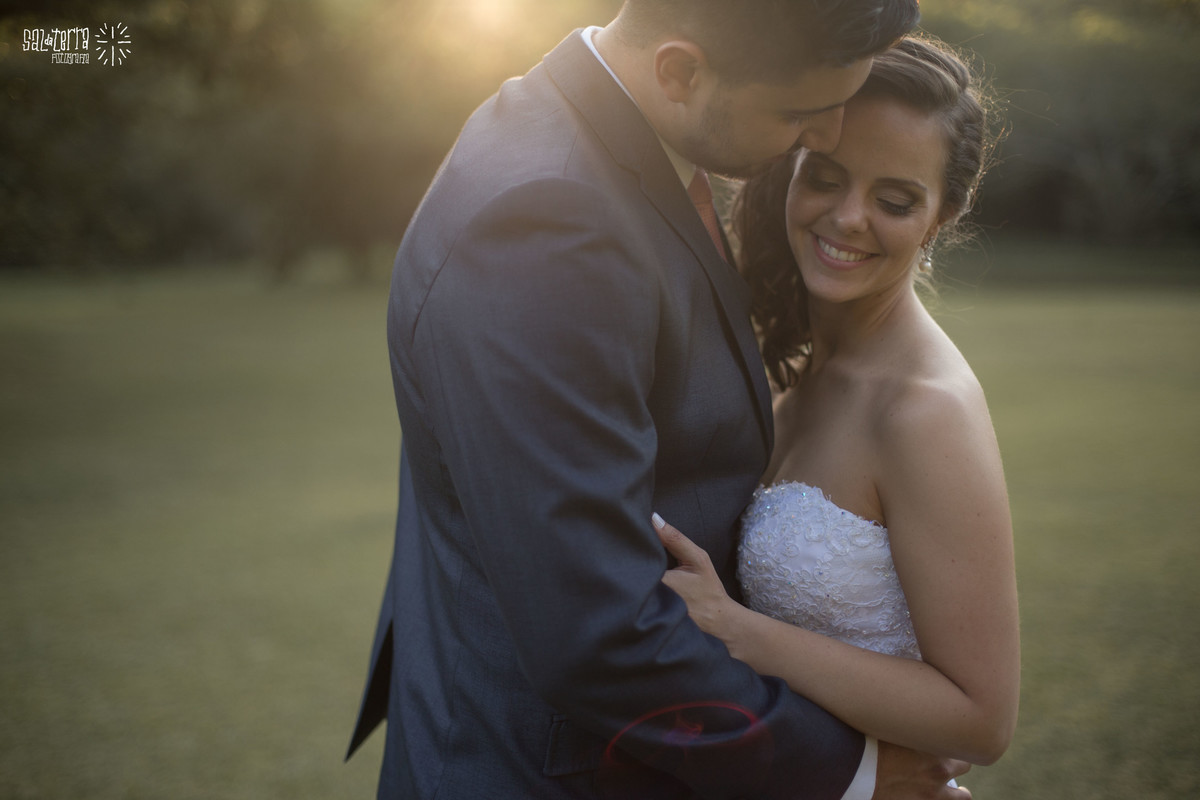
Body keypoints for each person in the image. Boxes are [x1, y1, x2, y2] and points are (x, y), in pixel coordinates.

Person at [344, 2, 976, 798]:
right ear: (681, 71)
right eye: (799, 111)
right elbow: (598, 635)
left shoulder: (595, 135)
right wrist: (856, 773)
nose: (823, 135)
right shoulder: (549, 220)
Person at [654, 34, 1019, 785]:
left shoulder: (924, 411)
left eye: (893, 200)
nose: (848, 218)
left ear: (943, 215)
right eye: (824, 177)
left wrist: (738, 631)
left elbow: (982, 718)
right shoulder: (787, 358)